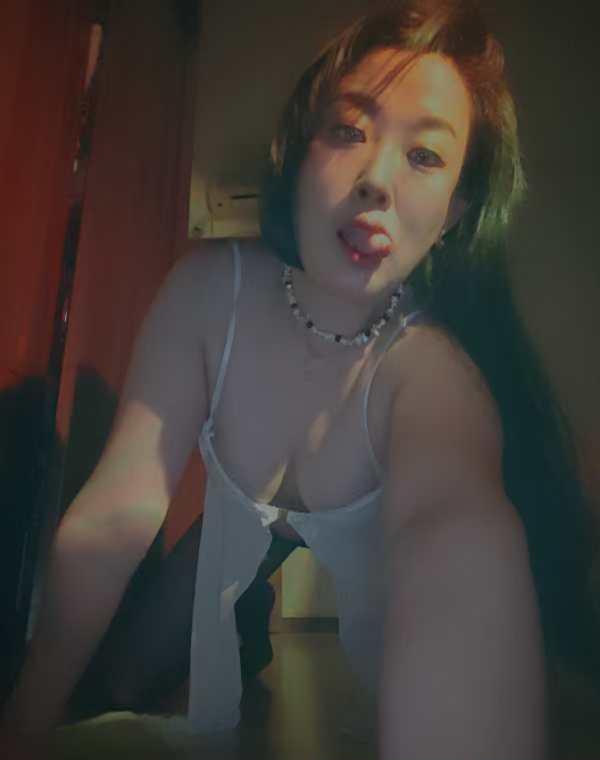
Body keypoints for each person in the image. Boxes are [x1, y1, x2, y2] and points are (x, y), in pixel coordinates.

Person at [3, 0, 599, 757]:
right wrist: (20, 725)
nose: (376, 179)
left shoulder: (435, 377)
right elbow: (118, 510)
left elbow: (455, 539)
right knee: (121, 683)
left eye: (424, 156)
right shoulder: (208, 296)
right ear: (299, 151)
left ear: (456, 211)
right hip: (237, 532)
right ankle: (244, 631)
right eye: (348, 131)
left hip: (382, 577)